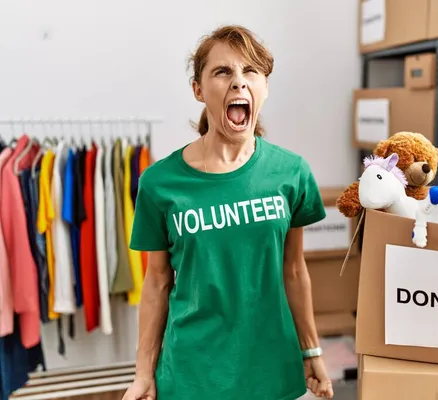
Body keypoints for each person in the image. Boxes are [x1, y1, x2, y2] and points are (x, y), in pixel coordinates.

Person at [121, 25, 334, 400]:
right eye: (223, 72)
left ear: (264, 87)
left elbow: (295, 270)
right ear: (198, 90)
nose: (239, 82)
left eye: (250, 71)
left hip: (273, 370)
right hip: (192, 376)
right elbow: (156, 282)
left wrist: (312, 350)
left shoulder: (292, 172)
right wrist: (143, 372)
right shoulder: (160, 182)